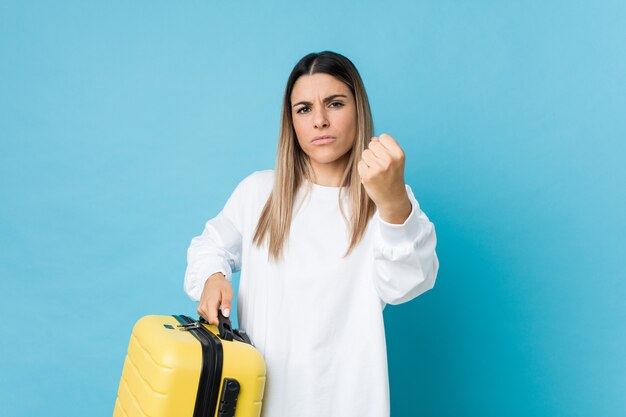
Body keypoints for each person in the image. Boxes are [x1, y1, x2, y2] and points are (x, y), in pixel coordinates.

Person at [184, 50, 439, 417]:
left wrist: (394, 199)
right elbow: (208, 246)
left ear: (358, 110)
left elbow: (406, 284)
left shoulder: (382, 200)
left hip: (350, 402)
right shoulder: (259, 193)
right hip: (261, 401)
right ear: (291, 121)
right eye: (304, 108)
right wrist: (212, 276)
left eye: (334, 104)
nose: (319, 120)